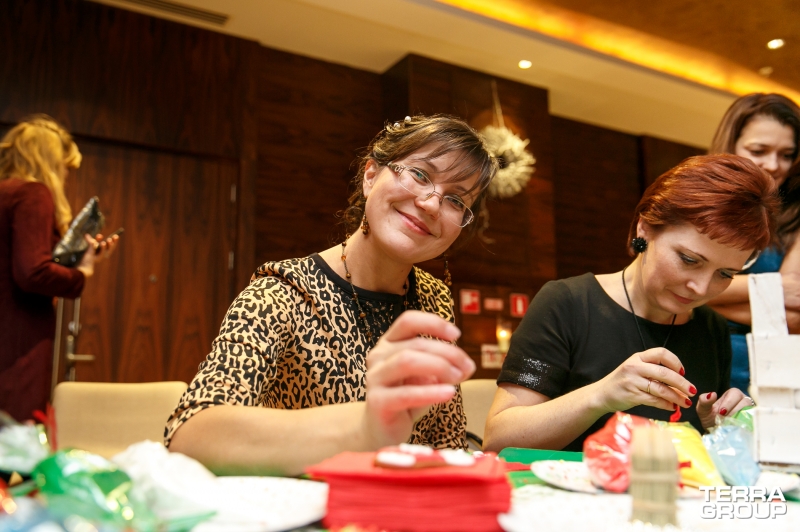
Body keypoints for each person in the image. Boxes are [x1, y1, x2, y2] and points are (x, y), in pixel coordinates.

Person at [166, 115, 497, 476]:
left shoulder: (434, 300)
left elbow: (447, 443)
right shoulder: (282, 292)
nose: (432, 204)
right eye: (419, 174)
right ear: (371, 175)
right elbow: (190, 437)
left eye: (455, 199)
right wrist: (365, 426)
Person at [483, 154, 779, 453]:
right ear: (645, 227)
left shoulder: (710, 328)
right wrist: (601, 395)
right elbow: (500, 440)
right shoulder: (567, 303)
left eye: (725, 274)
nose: (701, 288)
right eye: (689, 260)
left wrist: (720, 428)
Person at [0, 115, 118, 421]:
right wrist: (81, 274)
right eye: (65, 167)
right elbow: (32, 272)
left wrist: (78, 258)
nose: (66, 176)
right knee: (15, 439)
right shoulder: (32, 194)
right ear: (49, 161)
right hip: (16, 343)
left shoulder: (5, 193)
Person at [706, 93, 800, 392]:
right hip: (697, 353)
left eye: (787, 155)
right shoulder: (698, 204)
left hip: (772, 367)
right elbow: (664, 288)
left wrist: (704, 298)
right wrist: (773, 288)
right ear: (730, 144)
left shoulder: (796, 215)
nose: (773, 165)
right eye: (759, 150)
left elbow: (793, 313)